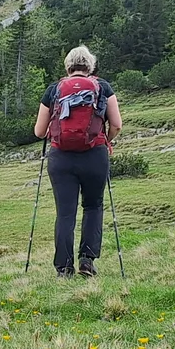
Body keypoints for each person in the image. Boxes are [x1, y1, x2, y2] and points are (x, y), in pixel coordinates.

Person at [34, 45, 122, 277]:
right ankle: (87, 261)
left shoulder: (54, 90)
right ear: (90, 65)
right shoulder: (102, 87)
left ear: (68, 66)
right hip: (95, 154)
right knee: (93, 207)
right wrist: (105, 140)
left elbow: (39, 132)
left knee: (65, 213)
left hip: (61, 157)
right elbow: (117, 124)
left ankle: (63, 268)